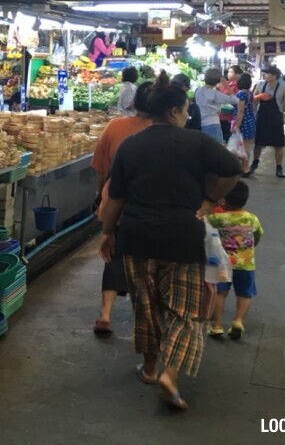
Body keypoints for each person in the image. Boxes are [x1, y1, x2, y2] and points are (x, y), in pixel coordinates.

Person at [101, 73, 243, 411]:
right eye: (186, 110)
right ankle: (171, 374)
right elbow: (234, 168)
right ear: (176, 111)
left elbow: (115, 199)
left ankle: (150, 369)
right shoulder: (196, 142)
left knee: (146, 308)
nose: (188, 116)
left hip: (137, 236)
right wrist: (210, 198)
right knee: (186, 313)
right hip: (184, 237)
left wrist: (108, 233)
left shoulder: (130, 145)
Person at [91, 82, 154, 336]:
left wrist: (101, 196)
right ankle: (145, 317)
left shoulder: (115, 126)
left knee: (114, 257)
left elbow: (101, 167)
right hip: (148, 208)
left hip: (116, 205)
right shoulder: (164, 133)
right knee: (147, 263)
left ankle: (105, 315)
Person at [207, 181, 263, 340]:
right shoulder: (252, 218)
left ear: (224, 200)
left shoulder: (217, 218)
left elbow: (206, 229)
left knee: (220, 293)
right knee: (244, 294)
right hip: (246, 264)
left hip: (223, 264)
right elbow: (258, 236)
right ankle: (238, 321)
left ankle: (216, 325)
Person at [250, 66, 285, 178]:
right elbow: (251, 99)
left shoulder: (283, 88)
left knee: (279, 145)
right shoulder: (260, 85)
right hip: (262, 117)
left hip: (276, 119)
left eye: (267, 74)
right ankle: (254, 164)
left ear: (274, 76)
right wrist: (259, 96)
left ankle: (279, 168)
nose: (265, 75)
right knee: (258, 144)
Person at [195, 68, 238, 144]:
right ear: (218, 81)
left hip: (200, 124)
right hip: (213, 124)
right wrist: (226, 85)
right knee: (216, 151)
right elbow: (235, 100)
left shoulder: (198, 90)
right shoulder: (215, 94)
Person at [232, 73, 256, 172]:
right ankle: (244, 167)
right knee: (246, 146)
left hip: (243, 122)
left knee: (243, 147)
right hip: (250, 120)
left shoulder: (241, 94)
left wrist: (236, 126)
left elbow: (240, 111)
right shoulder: (249, 93)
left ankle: (244, 168)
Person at [218, 65, 241, 140]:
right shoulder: (226, 83)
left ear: (237, 74)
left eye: (231, 72)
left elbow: (236, 99)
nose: (229, 74)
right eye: (228, 72)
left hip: (229, 115)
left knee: (227, 137)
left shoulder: (237, 85)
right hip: (221, 113)